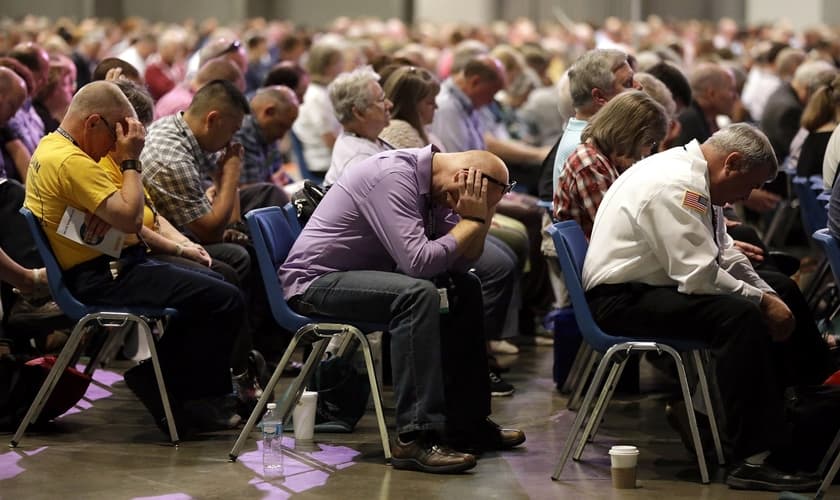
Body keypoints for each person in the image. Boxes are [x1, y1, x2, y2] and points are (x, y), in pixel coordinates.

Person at [582, 123, 825, 492]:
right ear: (731, 162)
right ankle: (751, 457)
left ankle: (811, 405)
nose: (746, 195)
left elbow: (724, 252)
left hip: (652, 285)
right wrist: (761, 302)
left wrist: (767, 294)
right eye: (749, 185)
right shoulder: (676, 185)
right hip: (620, 300)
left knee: (782, 288)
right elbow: (697, 275)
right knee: (739, 316)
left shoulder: (696, 178)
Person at [280, 146, 525, 473]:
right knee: (417, 294)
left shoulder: (436, 190)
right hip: (315, 282)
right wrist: (473, 220)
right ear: (463, 179)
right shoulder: (393, 177)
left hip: (366, 280)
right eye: (484, 199)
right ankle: (415, 437)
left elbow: (461, 261)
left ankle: (468, 424)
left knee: (464, 286)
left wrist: (482, 217)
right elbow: (419, 264)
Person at [23, 80, 245, 435]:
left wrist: (126, 213)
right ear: (92, 122)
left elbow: (127, 219)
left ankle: (176, 388)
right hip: (101, 276)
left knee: (218, 284)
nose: (115, 145)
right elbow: (130, 218)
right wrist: (131, 159)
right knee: (225, 298)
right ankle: (177, 390)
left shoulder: (52, 146)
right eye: (116, 134)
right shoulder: (71, 161)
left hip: (110, 263)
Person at [554, 90, 668, 237]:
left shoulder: (606, 159)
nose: (647, 151)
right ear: (629, 135)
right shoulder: (591, 164)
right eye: (650, 142)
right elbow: (615, 229)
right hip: (597, 248)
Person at [324, 66, 393, 186]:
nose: (389, 104)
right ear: (359, 113)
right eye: (381, 99)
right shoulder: (359, 160)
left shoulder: (363, 138)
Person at [290, 40, 345, 178]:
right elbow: (328, 139)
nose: (342, 66)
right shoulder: (315, 96)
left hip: (331, 159)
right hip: (323, 164)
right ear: (325, 66)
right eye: (338, 63)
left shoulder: (325, 90)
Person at [233, 85, 299, 187]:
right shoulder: (242, 131)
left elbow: (280, 174)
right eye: (281, 126)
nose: (281, 136)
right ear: (269, 112)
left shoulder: (267, 129)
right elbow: (251, 190)